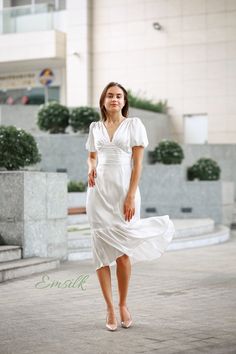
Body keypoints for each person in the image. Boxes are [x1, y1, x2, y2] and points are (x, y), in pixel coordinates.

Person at [85, 82, 175, 331]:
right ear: (103, 100)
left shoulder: (134, 125)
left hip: (124, 192)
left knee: (124, 255)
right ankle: (110, 308)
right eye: (110, 96)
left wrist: (130, 196)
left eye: (119, 96)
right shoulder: (95, 127)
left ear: (124, 101)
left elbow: (138, 164)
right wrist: (91, 167)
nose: (114, 99)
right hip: (98, 195)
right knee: (101, 255)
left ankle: (123, 304)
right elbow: (92, 155)